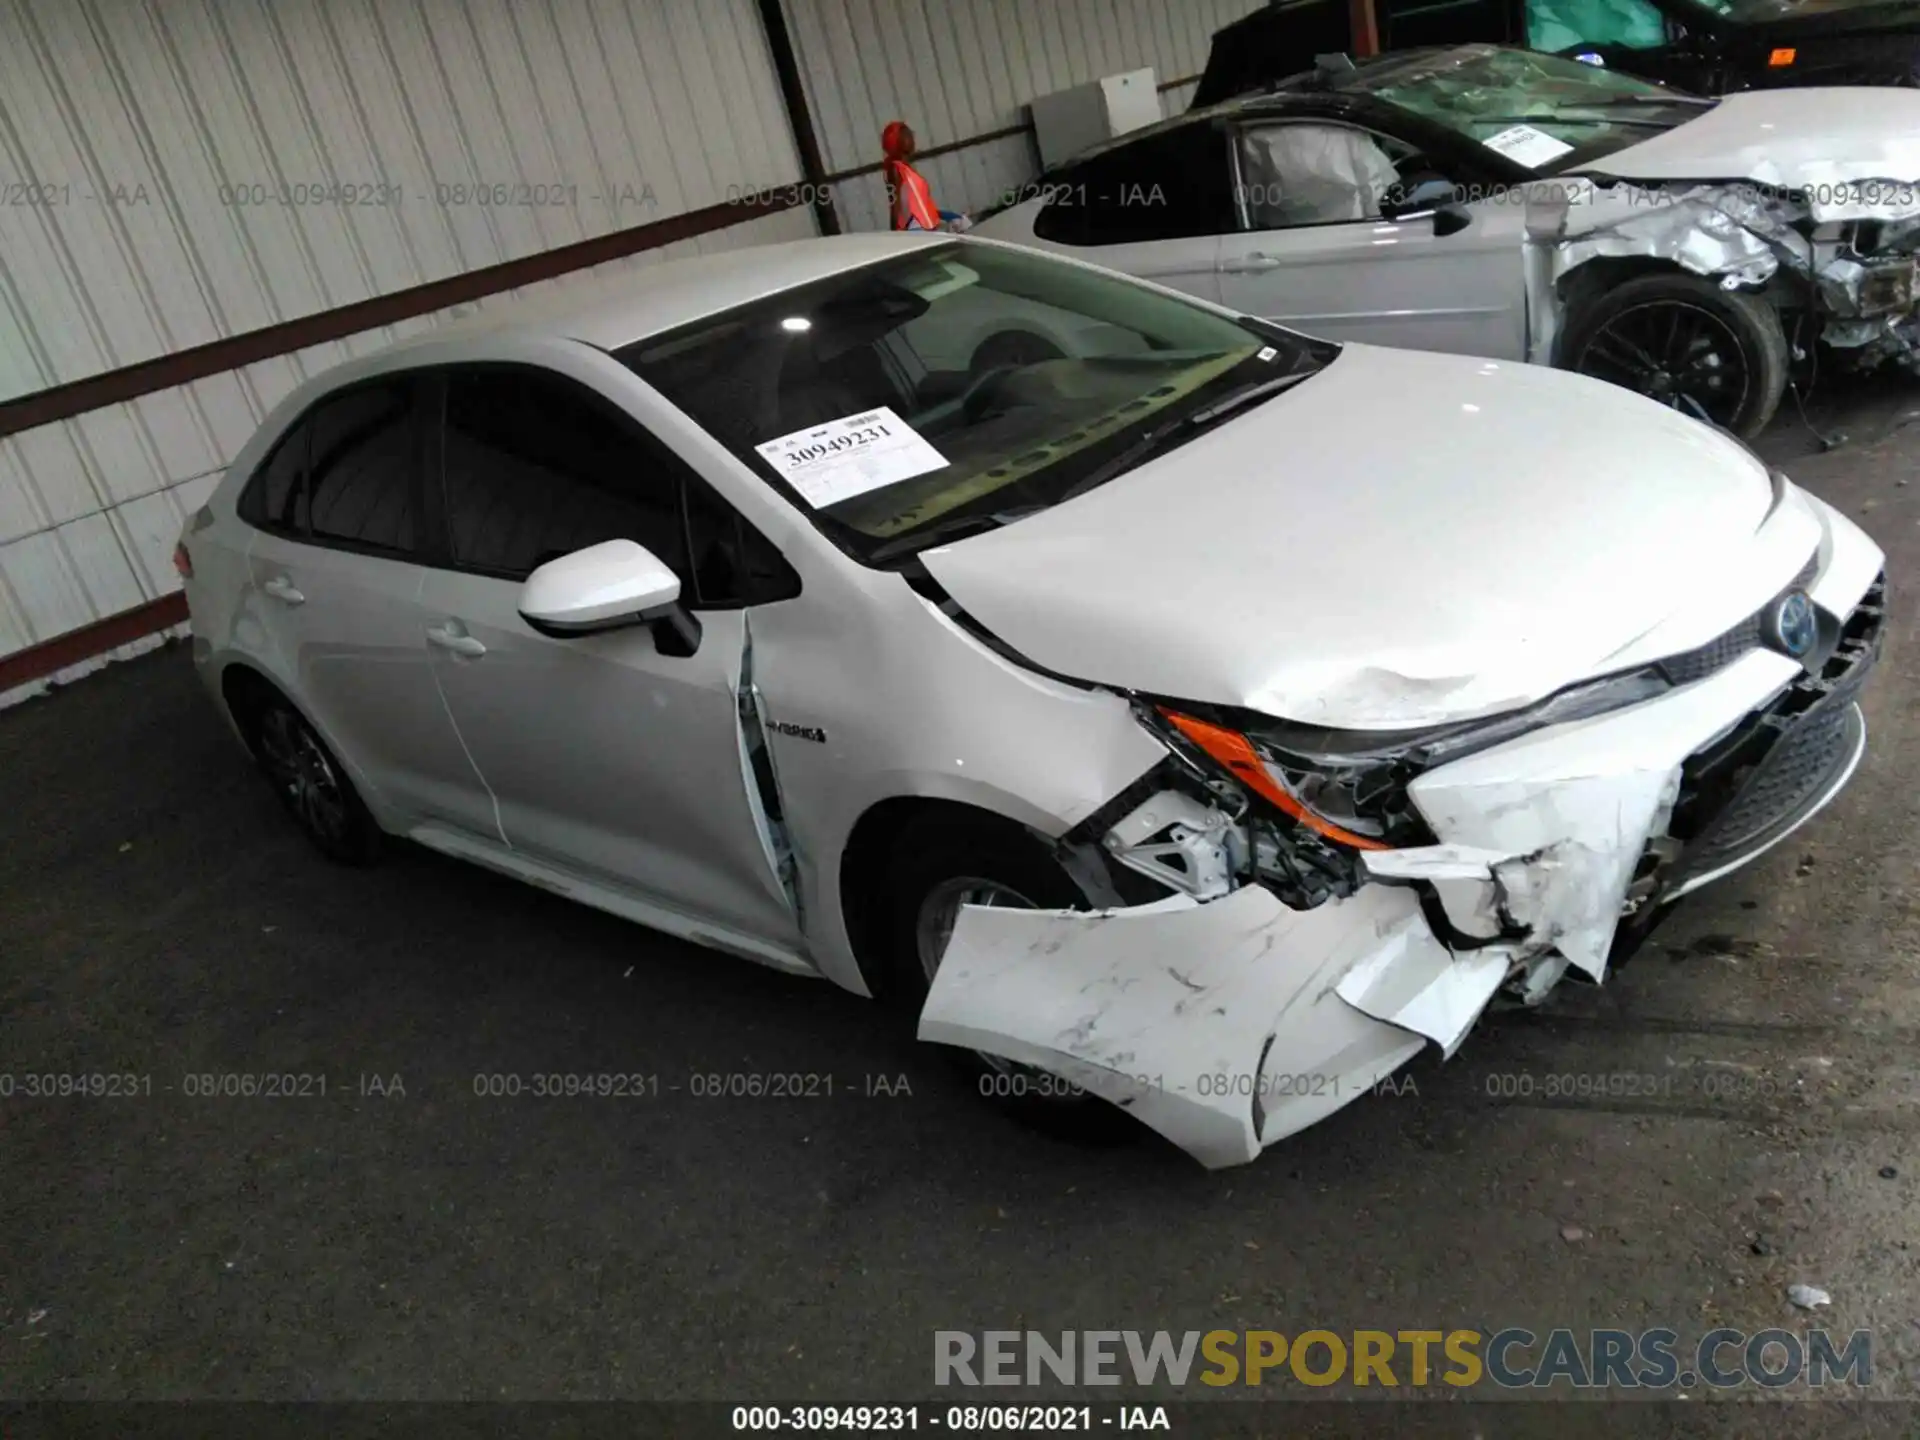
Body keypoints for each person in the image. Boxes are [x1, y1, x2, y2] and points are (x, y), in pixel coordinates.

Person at [880, 121, 970, 232]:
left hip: (926, 227)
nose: (913, 139)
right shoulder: (896, 169)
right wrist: (895, 235)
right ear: (898, 141)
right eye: (908, 135)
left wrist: (949, 216)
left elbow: (919, 205)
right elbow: (896, 205)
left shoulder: (906, 169)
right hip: (917, 230)